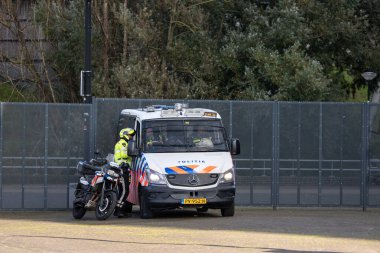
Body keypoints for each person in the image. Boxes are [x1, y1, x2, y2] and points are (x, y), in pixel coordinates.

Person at [113, 127, 135, 218]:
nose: (131, 137)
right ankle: (118, 210)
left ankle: (122, 209)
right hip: (122, 169)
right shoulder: (123, 143)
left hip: (125, 169)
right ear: (125, 135)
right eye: (130, 135)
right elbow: (124, 155)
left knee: (124, 190)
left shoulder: (125, 143)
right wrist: (134, 150)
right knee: (124, 191)